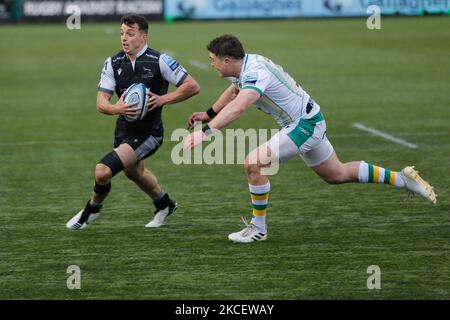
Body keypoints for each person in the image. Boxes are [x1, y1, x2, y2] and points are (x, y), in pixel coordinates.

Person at [184, 34, 437, 243]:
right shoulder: (246, 65)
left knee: (254, 162)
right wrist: (209, 114)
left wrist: (205, 133)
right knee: (336, 174)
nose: (211, 64)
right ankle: (403, 179)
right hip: (308, 120)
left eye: (213, 60)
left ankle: (258, 229)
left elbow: (239, 107)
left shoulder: (256, 72)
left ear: (227, 60)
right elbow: (234, 89)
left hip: (303, 124)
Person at [66, 14, 200, 230]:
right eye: (122, 34)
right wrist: (116, 108)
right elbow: (101, 103)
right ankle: (165, 204)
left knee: (102, 171)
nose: (124, 38)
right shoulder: (113, 63)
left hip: (150, 134)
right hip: (123, 131)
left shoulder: (160, 61)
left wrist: (163, 99)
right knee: (133, 172)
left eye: (130, 33)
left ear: (143, 37)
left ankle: (91, 209)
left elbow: (192, 86)